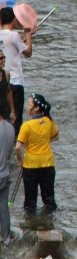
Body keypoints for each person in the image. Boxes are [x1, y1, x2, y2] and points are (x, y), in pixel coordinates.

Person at [16, 94, 58, 214]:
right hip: (48, 164)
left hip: (31, 165)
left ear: (36, 108)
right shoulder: (49, 121)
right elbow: (56, 137)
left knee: (30, 202)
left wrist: (20, 162)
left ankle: (30, 223)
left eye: (29, 104)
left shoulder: (26, 126)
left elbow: (18, 147)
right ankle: (49, 221)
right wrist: (42, 140)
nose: (26, 106)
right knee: (49, 199)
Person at [0, 7, 35, 135]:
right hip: (15, 80)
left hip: (3, 78)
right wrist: (27, 33)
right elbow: (28, 52)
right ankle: (15, 140)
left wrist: (26, 36)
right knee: (17, 115)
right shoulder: (14, 35)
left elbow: (12, 45)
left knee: (5, 112)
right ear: (14, 20)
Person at [0, 104, 13, 242]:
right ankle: (5, 238)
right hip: (5, 174)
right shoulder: (10, 128)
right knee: (4, 208)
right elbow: (9, 153)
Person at [0, 51, 15, 130]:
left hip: (5, 112)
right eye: (1, 58)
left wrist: (12, 111)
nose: (3, 60)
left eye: (4, 58)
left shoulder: (6, 74)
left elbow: (8, 92)